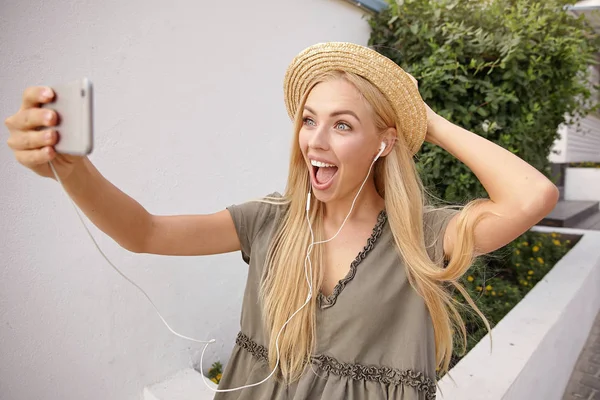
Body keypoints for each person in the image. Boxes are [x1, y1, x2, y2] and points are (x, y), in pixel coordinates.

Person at [4, 42, 558, 399]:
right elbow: (144, 232)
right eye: (309, 120)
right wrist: (70, 171)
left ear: (383, 142)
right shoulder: (270, 221)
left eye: (342, 125)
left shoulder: (423, 237)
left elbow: (532, 195)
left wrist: (423, 119)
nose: (315, 140)